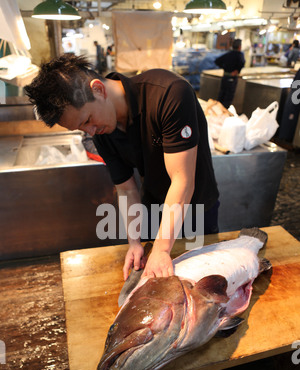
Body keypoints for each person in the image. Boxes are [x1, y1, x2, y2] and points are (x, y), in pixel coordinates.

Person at [24, 54, 219, 280]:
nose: (90, 131)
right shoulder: (101, 128)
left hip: (196, 211)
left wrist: (162, 248)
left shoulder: (169, 92)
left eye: (87, 120)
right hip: (154, 208)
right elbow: (127, 188)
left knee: (204, 290)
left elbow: (182, 180)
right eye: (82, 128)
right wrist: (134, 242)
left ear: (98, 89)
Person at [215, 38, 245, 108]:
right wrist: (237, 70)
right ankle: (224, 113)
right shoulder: (239, 55)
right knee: (228, 98)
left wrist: (224, 67)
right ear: (240, 47)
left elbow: (217, 61)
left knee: (221, 95)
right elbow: (242, 63)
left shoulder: (228, 54)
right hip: (232, 78)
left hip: (225, 77)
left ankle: (217, 111)